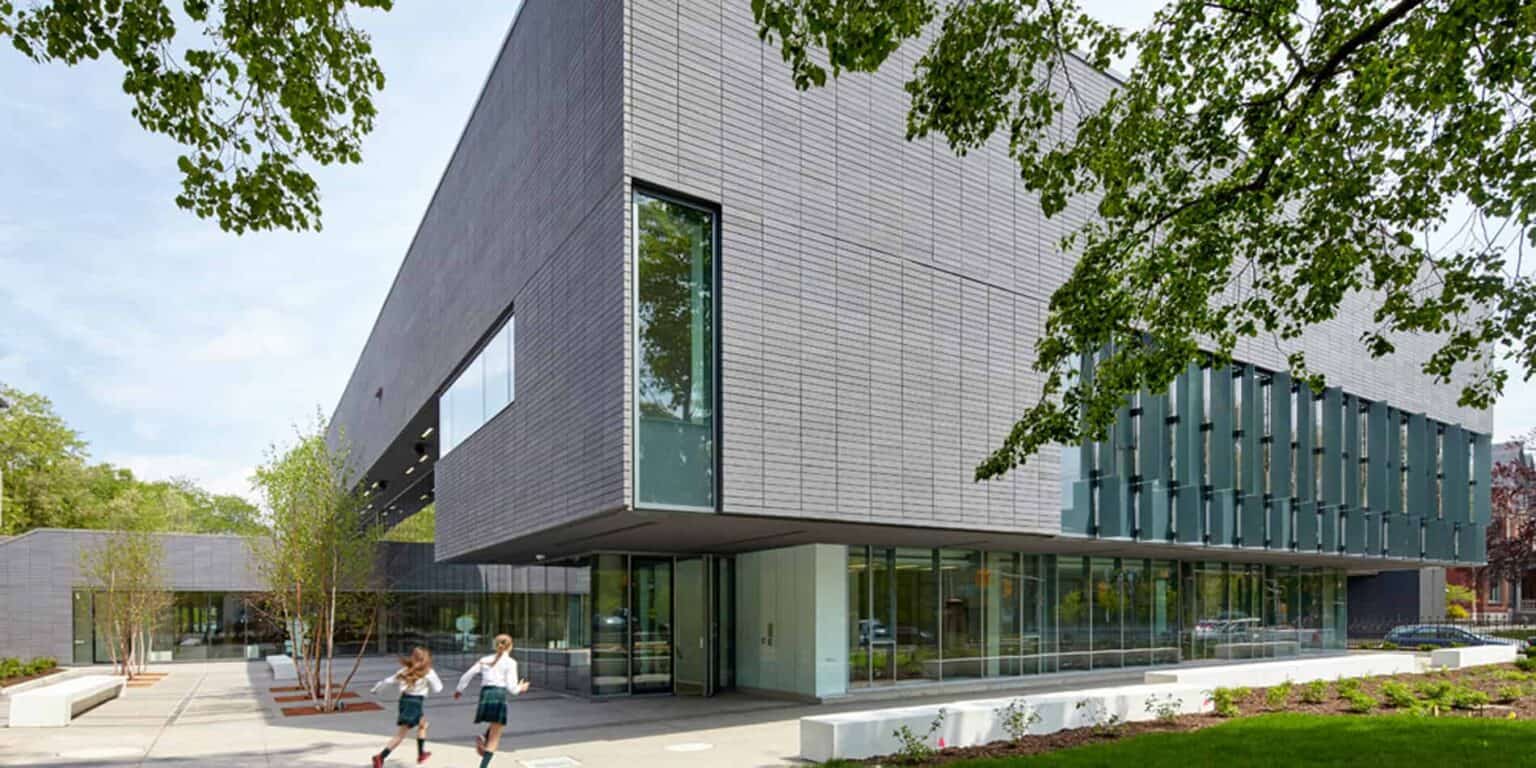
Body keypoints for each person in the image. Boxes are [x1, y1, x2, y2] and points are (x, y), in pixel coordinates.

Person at [453, 634, 530, 768]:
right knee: (495, 737)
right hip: (499, 694)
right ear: (511, 646)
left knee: (495, 724)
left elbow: (468, 674)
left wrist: (459, 690)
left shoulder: (485, 659)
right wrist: (521, 688)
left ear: (495, 645)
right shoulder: (511, 663)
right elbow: (512, 688)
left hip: (485, 694)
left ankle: (484, 738)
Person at [369, 647, 443, 766]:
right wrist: (428, 683)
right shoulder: (428, 672)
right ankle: (380, 757)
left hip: (404, 701)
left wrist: (376, 689)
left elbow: (388, 681)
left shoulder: (405, 670)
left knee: (423, 725)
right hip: (416, 702)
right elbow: (438, 689)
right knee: (401, 735)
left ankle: (421, 754)